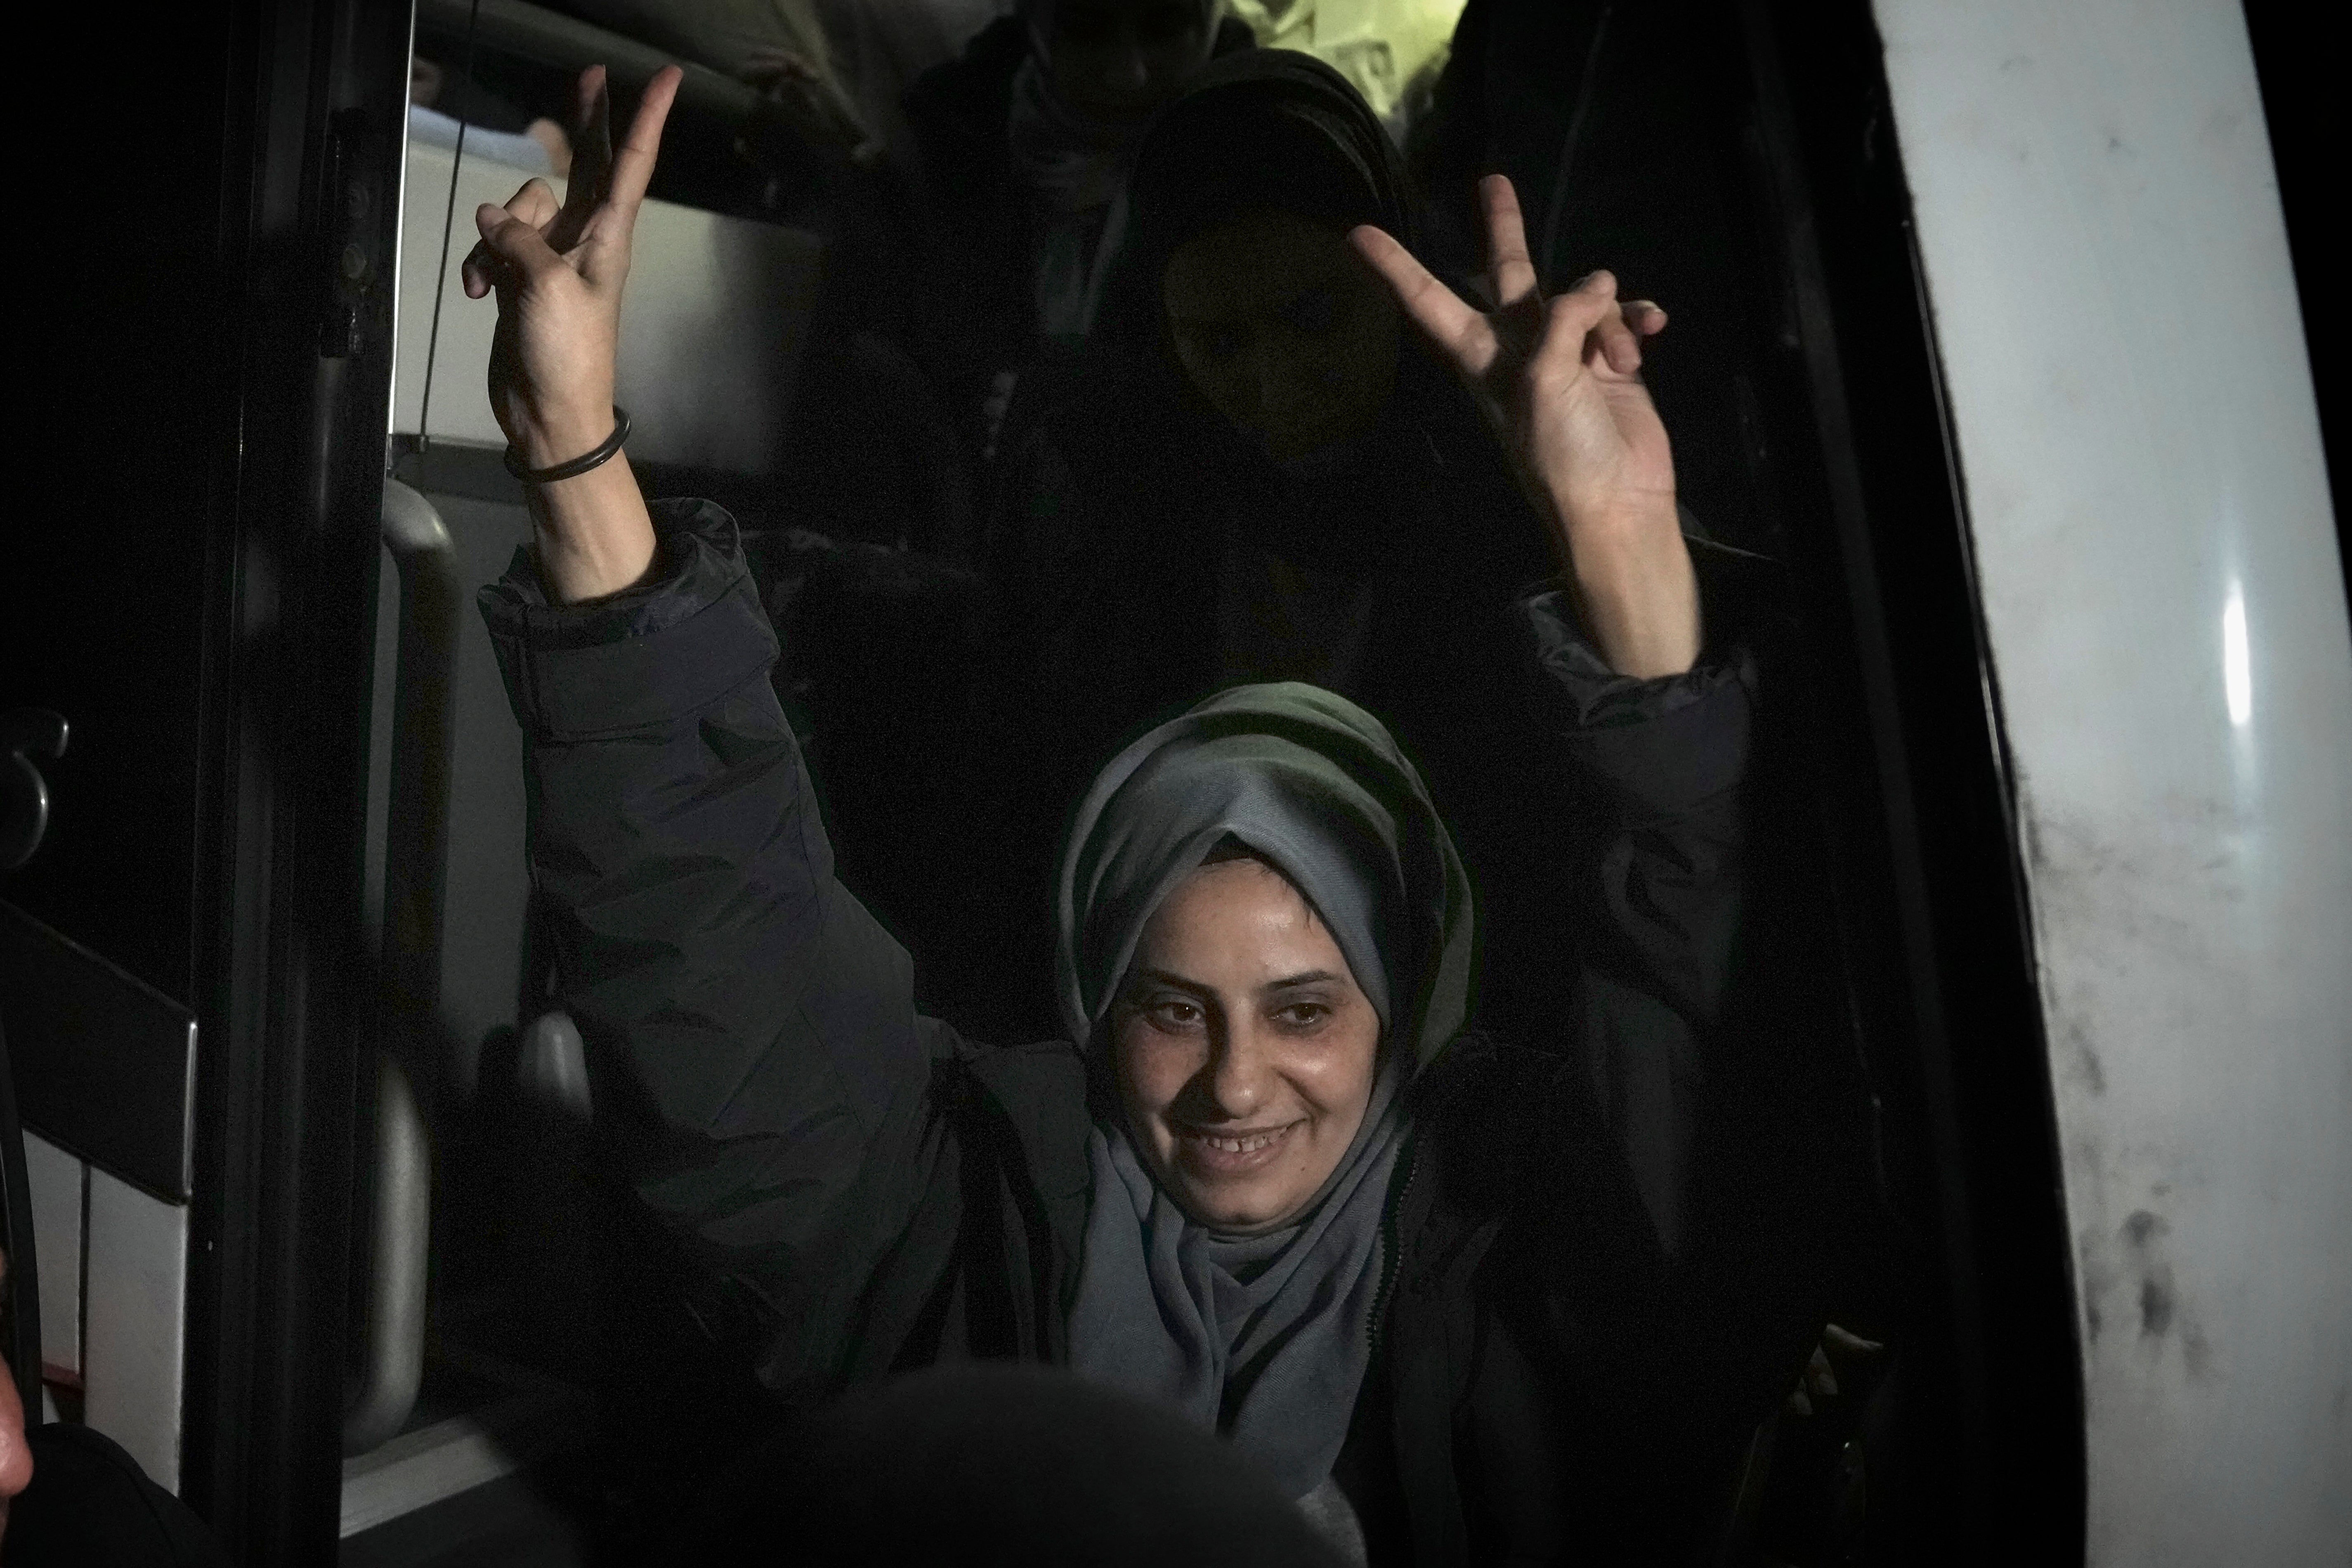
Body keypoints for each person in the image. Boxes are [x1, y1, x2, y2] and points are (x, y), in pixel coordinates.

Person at [463, 63, 1808, 1563]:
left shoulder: (1534, 1281)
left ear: (1412, 1004)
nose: (1234, 1088)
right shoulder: (969, 1235)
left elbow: (1701, 1003)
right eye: (1172, 1008)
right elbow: (717, 969)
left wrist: (1618, 536)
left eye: (1304, 1009)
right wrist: (572, 452)